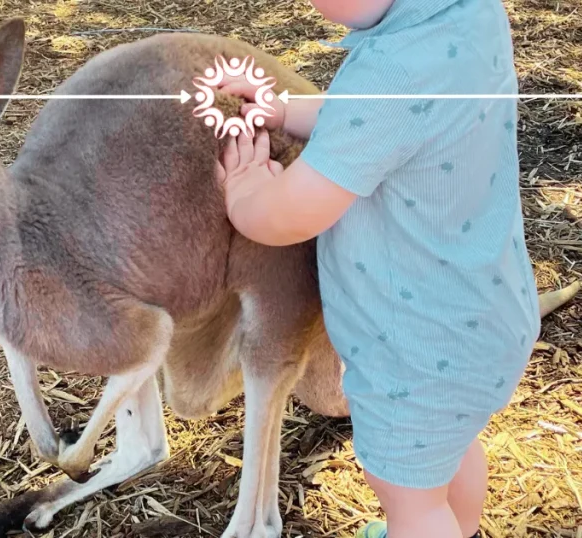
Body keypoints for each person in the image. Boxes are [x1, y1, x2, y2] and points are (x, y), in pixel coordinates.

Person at [213, 0, 540, 536]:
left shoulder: (395, 69)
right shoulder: (468, 17)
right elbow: (376, 117)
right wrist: (286, 112)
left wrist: (248, 191)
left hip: (415, 351)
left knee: (411, 501)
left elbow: (292, 214)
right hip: (487, 315)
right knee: (448, 454)